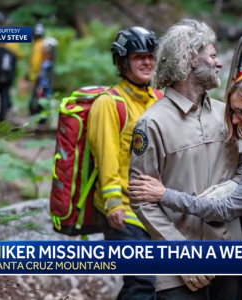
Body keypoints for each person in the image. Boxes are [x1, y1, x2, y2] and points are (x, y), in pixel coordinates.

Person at [129, 72, 242, 300]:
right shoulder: (152, 122)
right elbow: (140, 197)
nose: (234, 120)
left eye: (240, 112)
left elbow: (225, 209)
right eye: (233, 112)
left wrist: (164, 194)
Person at [127, 19, 242, 300]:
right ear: (190, 59)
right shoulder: (151, 125)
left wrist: (222, 193)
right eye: (212, 55)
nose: (219, 63)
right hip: (179, 271)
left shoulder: (227, 115)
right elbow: (141, 199)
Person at [88, 26, 160, 300]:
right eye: (138, 56)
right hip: (124, 213)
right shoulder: (109, 103)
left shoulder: (158, 100)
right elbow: (104, 156)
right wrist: (112, 203)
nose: (147, 62)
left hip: (153, 210)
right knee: (144, 284)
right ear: (122, 61)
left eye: (151, 56)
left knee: (141, 285)